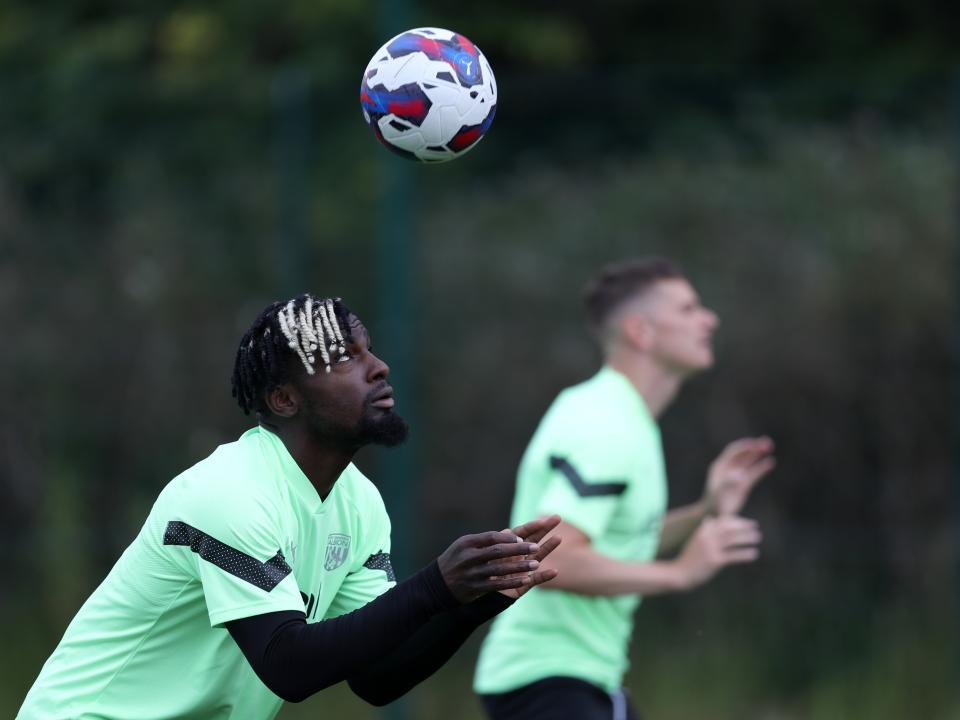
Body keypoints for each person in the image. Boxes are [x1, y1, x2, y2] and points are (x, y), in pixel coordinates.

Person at [19, 293, 561, 720]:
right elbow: (287, 665)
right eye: (345, 359)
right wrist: (434, 587)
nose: (378, 367)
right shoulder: (228, 491)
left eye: (368, 350)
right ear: (284, 399)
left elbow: (377, 678)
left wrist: (471, 603)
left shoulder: (359, 502)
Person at [474, 258, 775, 720]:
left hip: (576, 681)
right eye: (689, 309)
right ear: (641, 332)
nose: (708, 319)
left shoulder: (620, 417)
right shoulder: (606, 424)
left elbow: (618, 544)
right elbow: (552, 560)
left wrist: (705, 511)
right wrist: (681, 574)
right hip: (548, 683)